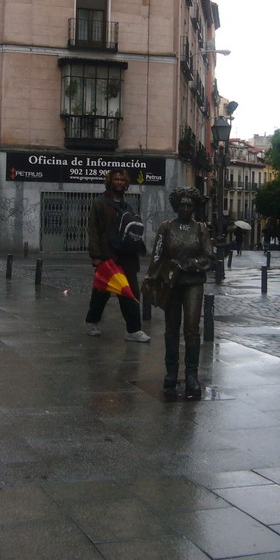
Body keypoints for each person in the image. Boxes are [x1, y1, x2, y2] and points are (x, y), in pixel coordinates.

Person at [144, 187, 215, 399]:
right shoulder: (166, 228)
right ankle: (171, 372)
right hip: (171, 283)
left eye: (189, 204)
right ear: (176, 206)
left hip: (193, 282)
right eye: (182, 204)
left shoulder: (201, 229)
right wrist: (154, 278)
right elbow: (157, 256)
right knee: (171, 328)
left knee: (192, 329)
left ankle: (191, 374)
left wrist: (191, 264)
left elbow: (209, 258)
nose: (185, 208)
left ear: (194, 206)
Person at [85, 169, 150, 342]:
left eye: (122, 179)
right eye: (116, 179)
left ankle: (134, 330)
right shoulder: (99, 203)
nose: (119, 182)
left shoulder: (126, 205)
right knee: (101, 292)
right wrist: (96, 255)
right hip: (108, 255)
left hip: (127, 257)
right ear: (110, 181)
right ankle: (92, 321)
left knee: (131, 292)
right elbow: (93, 230)